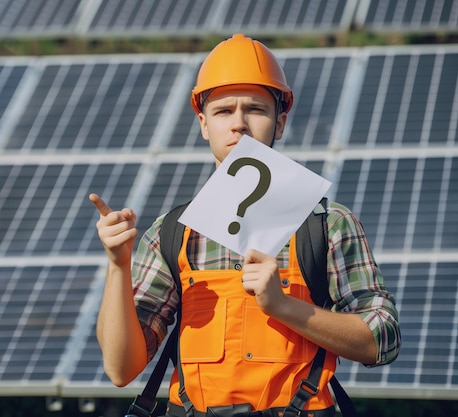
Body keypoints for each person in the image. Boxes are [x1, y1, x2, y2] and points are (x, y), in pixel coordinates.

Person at [89, 34, 400, 417]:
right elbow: (121, 369)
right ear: (203, 124)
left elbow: (383, 338)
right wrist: (118, 264)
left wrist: (283, 306)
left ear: (280, 122)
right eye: (223, 112)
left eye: (255, 109)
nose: (239, 124)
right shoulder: (171, 234)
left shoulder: (329, 225)